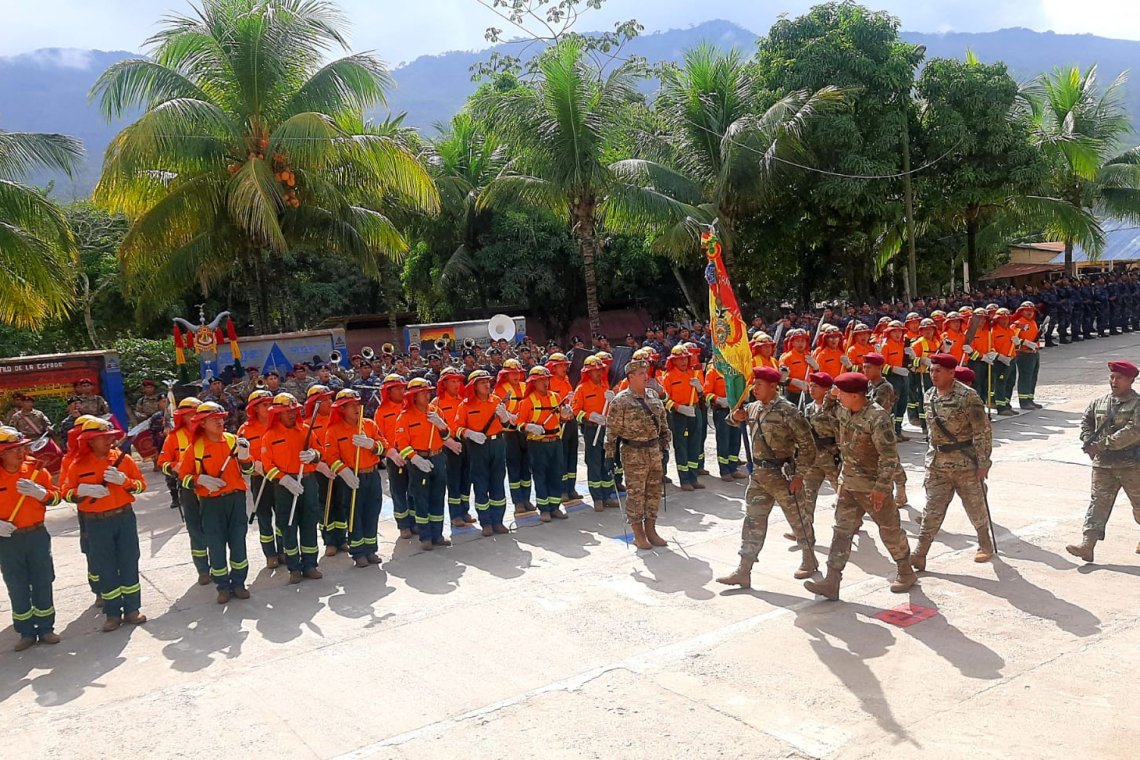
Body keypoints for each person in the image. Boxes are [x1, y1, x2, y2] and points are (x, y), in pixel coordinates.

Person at [804, 372, 916, 601]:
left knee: (890, 530)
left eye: (842, 393)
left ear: (855, 396)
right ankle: (832, 580)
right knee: (841, 531)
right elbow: (825, 411)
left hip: (872, 486)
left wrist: (882, 488)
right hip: (848, 483)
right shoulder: (844, 410)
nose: (838, 397)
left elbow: (889, 457)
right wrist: (832, 395)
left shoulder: (878, 418)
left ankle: (905, 570)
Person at [716, 366, 818, 589]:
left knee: (798, 520)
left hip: (783, 476)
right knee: (753, 522)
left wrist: (800, 475)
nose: (755, 389)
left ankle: (809, 560)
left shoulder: (787, 411)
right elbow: (732, 420)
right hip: (759, 477)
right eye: (754, 384)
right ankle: (744, 570)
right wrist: (735, 416)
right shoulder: (753, 407)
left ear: (774, 386)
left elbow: (809, 446)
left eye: (760, 385)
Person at [62, 417, 148, 631]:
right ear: (89, 441)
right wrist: (80, 492)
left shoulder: (123, 460)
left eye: (110, 437)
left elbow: (141, 486)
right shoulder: (78, 465)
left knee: (129, 561)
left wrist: (125, 482)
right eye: (102, 438)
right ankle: (112, 613)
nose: (109, 441)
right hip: (97, 522)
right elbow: (66, 493)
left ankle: (132, 609)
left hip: (124, 517)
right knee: (105, 567)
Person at [912, 354, 996, 570]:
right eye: (932, 370)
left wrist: (983, 462)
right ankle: (920, 553)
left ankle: (984, 542)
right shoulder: (929, 395)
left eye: (938, 370)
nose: (933, 374)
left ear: (951, 372)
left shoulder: (968, 397)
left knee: (974, 506)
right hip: (937, 464)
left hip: (964, 464)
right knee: (932, 509)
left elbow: (982, 431)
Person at [177, 402, 254, 603]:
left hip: (235, 499)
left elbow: (247, 470)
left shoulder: (233, 440)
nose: (220, 422)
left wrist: (245, 457)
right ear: (202, 423)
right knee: (216, 545)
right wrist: (199, 480)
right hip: (211, 503)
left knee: (238, 542)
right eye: (214, 419)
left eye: (221, 418)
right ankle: (222, 586)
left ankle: (239, 584)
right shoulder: (196, 448)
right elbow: (184, 476)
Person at [1066, 361, 1140, 563]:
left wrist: (1101, 445)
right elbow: (1086, 422)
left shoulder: (1137, 404)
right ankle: (1087, 545)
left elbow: (1133, 431)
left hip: (1132, 465)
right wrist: (1088, 441)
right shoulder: (1099, 402)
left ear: (1131, 380)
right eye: (1112, 377)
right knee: (1098, 503)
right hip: (1104, 465)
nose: (1114, 381)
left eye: (1120, 378)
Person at [0, 427, 62, 650]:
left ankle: (46, 628)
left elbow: (56, 498)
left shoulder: (36, 471)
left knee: (43, 580)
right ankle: (26, 631)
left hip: (36, 534)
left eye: (21, 447)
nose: (19, 452)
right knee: (16, 584)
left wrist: (41, 493)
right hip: (8, 540)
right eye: (12, 449)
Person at [605, 358, 671, 550]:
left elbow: (663, 423)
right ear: (630, 377)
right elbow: (612, 432)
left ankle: (651, 530)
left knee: (654, 493)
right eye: (641, 373)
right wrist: (609, 456)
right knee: (636, 495)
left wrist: (665, 447)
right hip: (633, 453)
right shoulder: (621, 400)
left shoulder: (652, 395)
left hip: (654, 451)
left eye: (646, 372)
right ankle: (638, 534)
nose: (645, 376)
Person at [261, 393, 323, 583]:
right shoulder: (270, 436)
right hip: (285, 486)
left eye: (293, 411)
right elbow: (267, 467)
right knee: (288, 525)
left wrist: (314, 455)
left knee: (309, 523)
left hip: (308, 480)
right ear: (277, 415)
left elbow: (321, 452)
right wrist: (284, 480)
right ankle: (294, 568)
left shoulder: (306, 430)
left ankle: (311, 564)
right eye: (285, 412)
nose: (290, 414)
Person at [322, 389, 385, 567]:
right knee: (354, 515)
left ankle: (371, 549)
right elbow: (330, 457)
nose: (356, 408)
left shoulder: (369, 425)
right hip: (352, 477)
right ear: (341, 409)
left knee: (372, 512)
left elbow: (384, 446)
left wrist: (371, 444)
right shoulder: (333, 430)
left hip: (371, 475)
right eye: (350, 405)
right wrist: (344, 472)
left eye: (357, 404)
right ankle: (358, 553)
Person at [394, 378, 452, 550]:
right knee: (421, 498)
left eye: (428, 392)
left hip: (438, 457)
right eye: (423, 393)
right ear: (413, 396)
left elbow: (447, 437)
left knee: (437, 496)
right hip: (419, 460)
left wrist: (442, 426)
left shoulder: (436, 411)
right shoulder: (405, 416)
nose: (427, 396)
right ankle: (425, 537)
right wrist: (415, 458)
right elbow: (402, 445)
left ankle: (437, 534)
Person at [158, 397, 212, 581]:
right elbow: (162, 464)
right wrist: (175, 466)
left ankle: (218, 565)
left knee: (214, 529)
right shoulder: (174, 437)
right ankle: (203, 570)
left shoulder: (210, 433)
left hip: (211, 487)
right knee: (195, 529)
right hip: (189, 488)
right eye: (190, 414)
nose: (194, 417)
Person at [513, 366, 573, 522]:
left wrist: (566, 415)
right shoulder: (527, 401)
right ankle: (544, 509)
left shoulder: (555, 397)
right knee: (540, 476)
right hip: (538, 443)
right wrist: (530, 427)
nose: (545, 382)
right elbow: (519, 424)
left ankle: (555, 506)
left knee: (556, 474)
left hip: (555, 442)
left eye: (546, 379)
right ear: (533, 383)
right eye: (541, 380)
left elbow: (562, 417)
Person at [455, 370, 510, 536]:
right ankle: (486, 522)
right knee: (481, 484)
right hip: (478, 447)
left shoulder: (497, 401)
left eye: (488, 381)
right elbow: (456, 429)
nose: (487, 385)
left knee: (498, 483)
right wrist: (469, 433)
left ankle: (498, 521)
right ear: (474, 386)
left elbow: (506, 426)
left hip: (497, 444)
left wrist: (505, 417)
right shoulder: (465, 405)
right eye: (482, 382)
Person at [239, 390, 283, 568]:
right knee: (264, 517)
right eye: (265, 404)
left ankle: (283, 550)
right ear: (255, 408)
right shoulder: (245, 429)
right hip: (260, 478)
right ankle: (270, 554)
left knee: (282, 515)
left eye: (270, 403)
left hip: (279, 477)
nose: (269, 407)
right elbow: (241, 456)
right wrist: (255, 464)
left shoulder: (279, 424)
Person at [573, 355, 619, 510]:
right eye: (594, 370)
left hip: (607, 429)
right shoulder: (582, 388)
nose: (598, 373)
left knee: (607, 462)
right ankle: (597, 498)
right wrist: (588, 416)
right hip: (592, 429)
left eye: (600, 369)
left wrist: (614, 400)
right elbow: (575, 410)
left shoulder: (607, 385)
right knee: (594, 463)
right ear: (588, 372)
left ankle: (607, 495)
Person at [799, 372, 840, 539]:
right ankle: (804, 530)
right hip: (814, 459)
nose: (811, 389)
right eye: (810, 385)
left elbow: (840, 432)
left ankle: (848, 525)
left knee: (843, 494)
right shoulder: (808, 408)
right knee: (808, 494)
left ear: (826, 390)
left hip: (832, 458)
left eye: (816, 386)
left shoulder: (835, 408)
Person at [431, 367, 473, 528]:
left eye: (458, 381)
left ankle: (465, 510)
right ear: (444, 383)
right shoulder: (437, 403)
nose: (456, 384)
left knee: (466, 478)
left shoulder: (464, 399)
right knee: (453, 480)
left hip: (466, 442)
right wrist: (448, 442)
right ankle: (455, 515)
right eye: (452, 381)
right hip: (449, 445)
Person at [661, 345, 705, 491]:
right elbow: (664, 400)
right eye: (679, 359)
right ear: (674, 361)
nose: (683, 362)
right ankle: (684, 479)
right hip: (679, 415)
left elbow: (702, 393)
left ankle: (693, 477)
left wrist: (699, 388)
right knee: (681, 447)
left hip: (695, 410)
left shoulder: (694, 373)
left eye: (685, 358)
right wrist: (679, 407)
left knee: (695, 445)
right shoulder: (669, 377)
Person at [495, 359, 532, 514]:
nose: (516, 376)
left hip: (525, 431)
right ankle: (518, 501)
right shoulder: (500, 390)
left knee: (526, 467)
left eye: (518, 373)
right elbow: (497, 408)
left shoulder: (526, 387)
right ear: (506, 375)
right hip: (510, 433)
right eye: (512, 373)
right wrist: (509, 416)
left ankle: (527, 499)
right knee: (514, 467)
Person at [702, 359, 744, 482]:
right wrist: (718, 399)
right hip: (721, 411)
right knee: (723, 440)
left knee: (735, 438)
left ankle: (733, 468)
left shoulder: (734, 371)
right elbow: (707, 393)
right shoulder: (712, 373)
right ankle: (724, 470)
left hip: (734, 409)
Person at [547, 352, 581, 503]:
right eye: (560, 366)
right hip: (560, 423)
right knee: (561, 458)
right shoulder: (550, 383)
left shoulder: (567, 380)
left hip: (571, 421)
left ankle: (571, 488)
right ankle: (561, 490)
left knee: (572, 456)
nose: (564, 368)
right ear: (553, 367)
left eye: (565, 365)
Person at [1010, 301, 1042, 411]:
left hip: (1034, 353)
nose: (1030, 313)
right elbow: (1013, 338)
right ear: (1022, 311)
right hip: (1024, 353)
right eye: (1027, 311)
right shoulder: (1018, 323)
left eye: (1031, 311)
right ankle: (1024, 401)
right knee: (1025, 377)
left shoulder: (1033, 322)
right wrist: (1025, 343)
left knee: (1033, 377)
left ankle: (1030, 398)